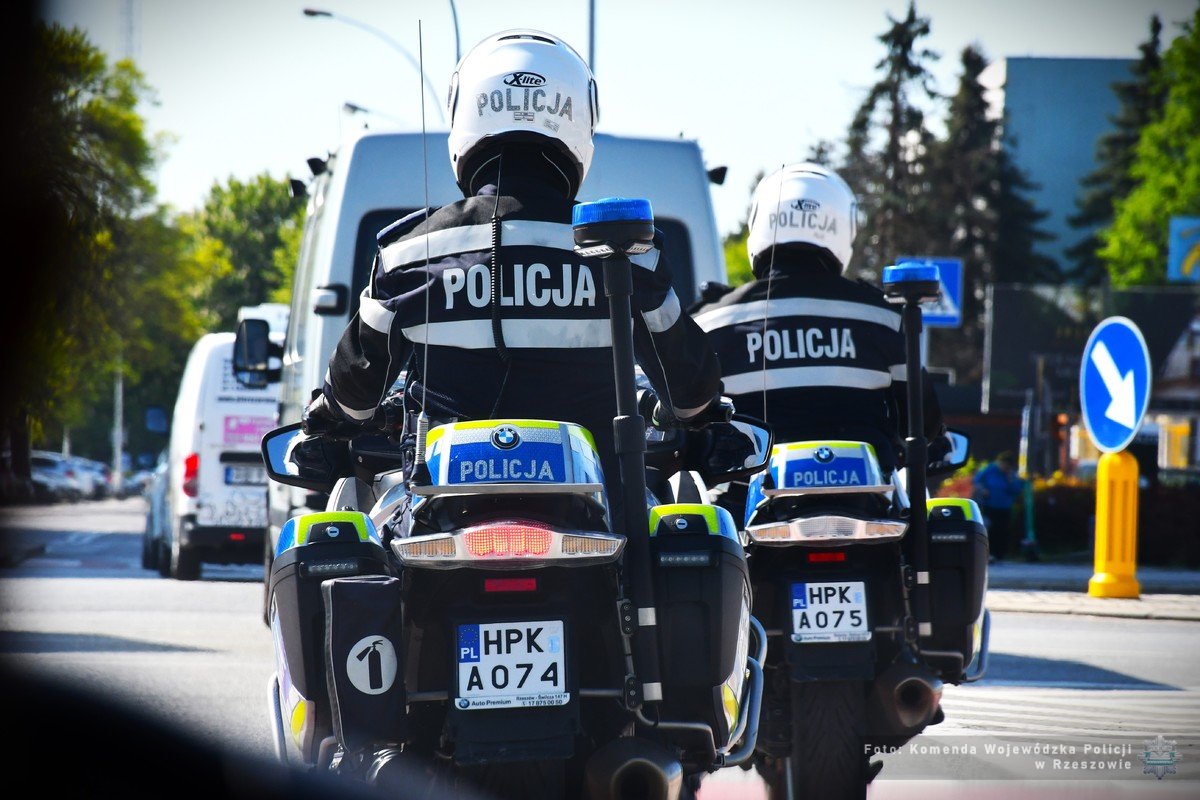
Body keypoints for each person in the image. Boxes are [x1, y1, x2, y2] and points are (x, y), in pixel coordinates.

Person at [302, 29, 722, 519]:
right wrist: (691, 412)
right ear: (580, 122)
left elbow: (355, 392)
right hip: (599, 522)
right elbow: (691, 395)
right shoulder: (626, 249)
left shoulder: (408, 251)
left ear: (465, 115)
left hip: (444, 519)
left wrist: (327, 416)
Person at [691, 163, 947, 489]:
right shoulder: (884, 316)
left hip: (748, 509)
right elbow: (924, 425)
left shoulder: (711, 321)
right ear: (842, 228)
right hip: (868, 507)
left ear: (760, 222)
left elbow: (689, 425)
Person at [973, 451, 1025, 562]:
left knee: (1003, 530)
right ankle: (989, 553)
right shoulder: (990, 470)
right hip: (990, 505)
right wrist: (983, 490)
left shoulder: (1011, 474)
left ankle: (1000, 554)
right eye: (1003, 464)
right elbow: (977, 481)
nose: (1004, 467)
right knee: (990, 529)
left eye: (1007, 465)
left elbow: (1016, 490)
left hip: (1005, 507)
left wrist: (1011, 480)